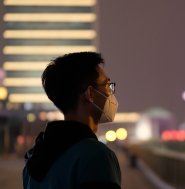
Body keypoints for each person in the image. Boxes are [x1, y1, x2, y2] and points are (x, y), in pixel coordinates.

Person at [22, 52, 121, 189]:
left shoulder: (33, 160)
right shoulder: (97, 156)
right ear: (90, 94)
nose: (110, 93)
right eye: (106, 85)